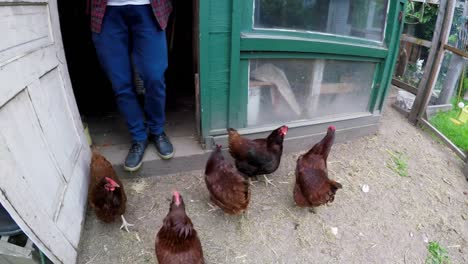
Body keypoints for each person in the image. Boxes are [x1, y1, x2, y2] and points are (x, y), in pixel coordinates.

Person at [89, 0, 174, 171]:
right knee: (120, 82)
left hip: (148, 7)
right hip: (107, 11)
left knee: (154, 76)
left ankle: (157, 130)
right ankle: (139, 137)